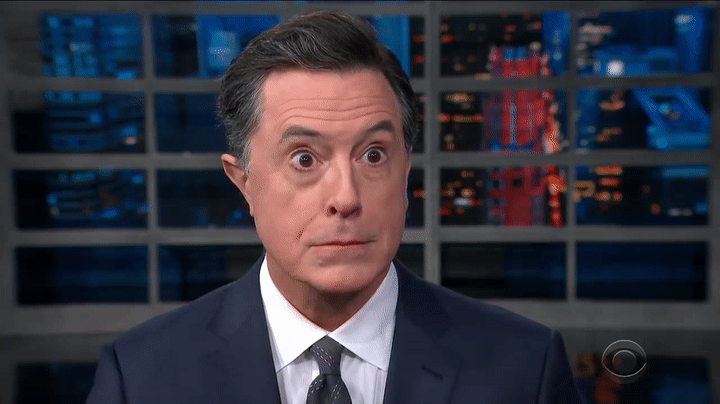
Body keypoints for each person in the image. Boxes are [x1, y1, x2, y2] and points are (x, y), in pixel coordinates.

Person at [86, 10, 581, 404]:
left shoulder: (525, 371)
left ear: (405, 172)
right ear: (244, 182)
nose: (346, 198)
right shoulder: (142, 378)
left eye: (373, 155)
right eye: (304, 159)